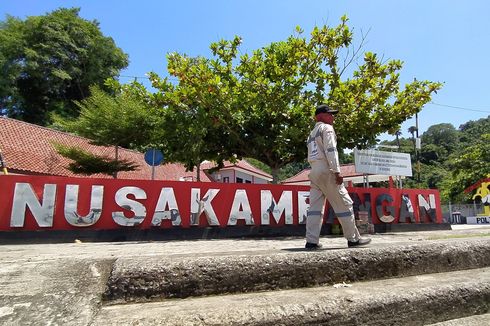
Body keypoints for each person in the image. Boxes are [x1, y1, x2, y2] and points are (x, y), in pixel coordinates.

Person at [305, 104, 371, 249]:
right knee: (344, 204)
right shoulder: (327, 128)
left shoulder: (311, 134)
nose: (332, 117)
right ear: (320, 116)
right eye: (329, 114)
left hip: (314, 171)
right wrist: (337, 171)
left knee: (315, 209)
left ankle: (311, 241)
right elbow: (331, 150)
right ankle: (353, 239)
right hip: (327, 169)